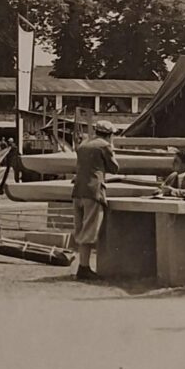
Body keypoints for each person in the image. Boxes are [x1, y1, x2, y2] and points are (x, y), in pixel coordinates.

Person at [71, 120, 119, 281]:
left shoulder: (84, 144)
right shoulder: (104, 146)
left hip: (78, 190)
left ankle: (82, 266)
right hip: (93, 191)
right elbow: (114, 168)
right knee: (90, 230)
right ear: (109, 134)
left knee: (80, 229)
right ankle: (84, 268)